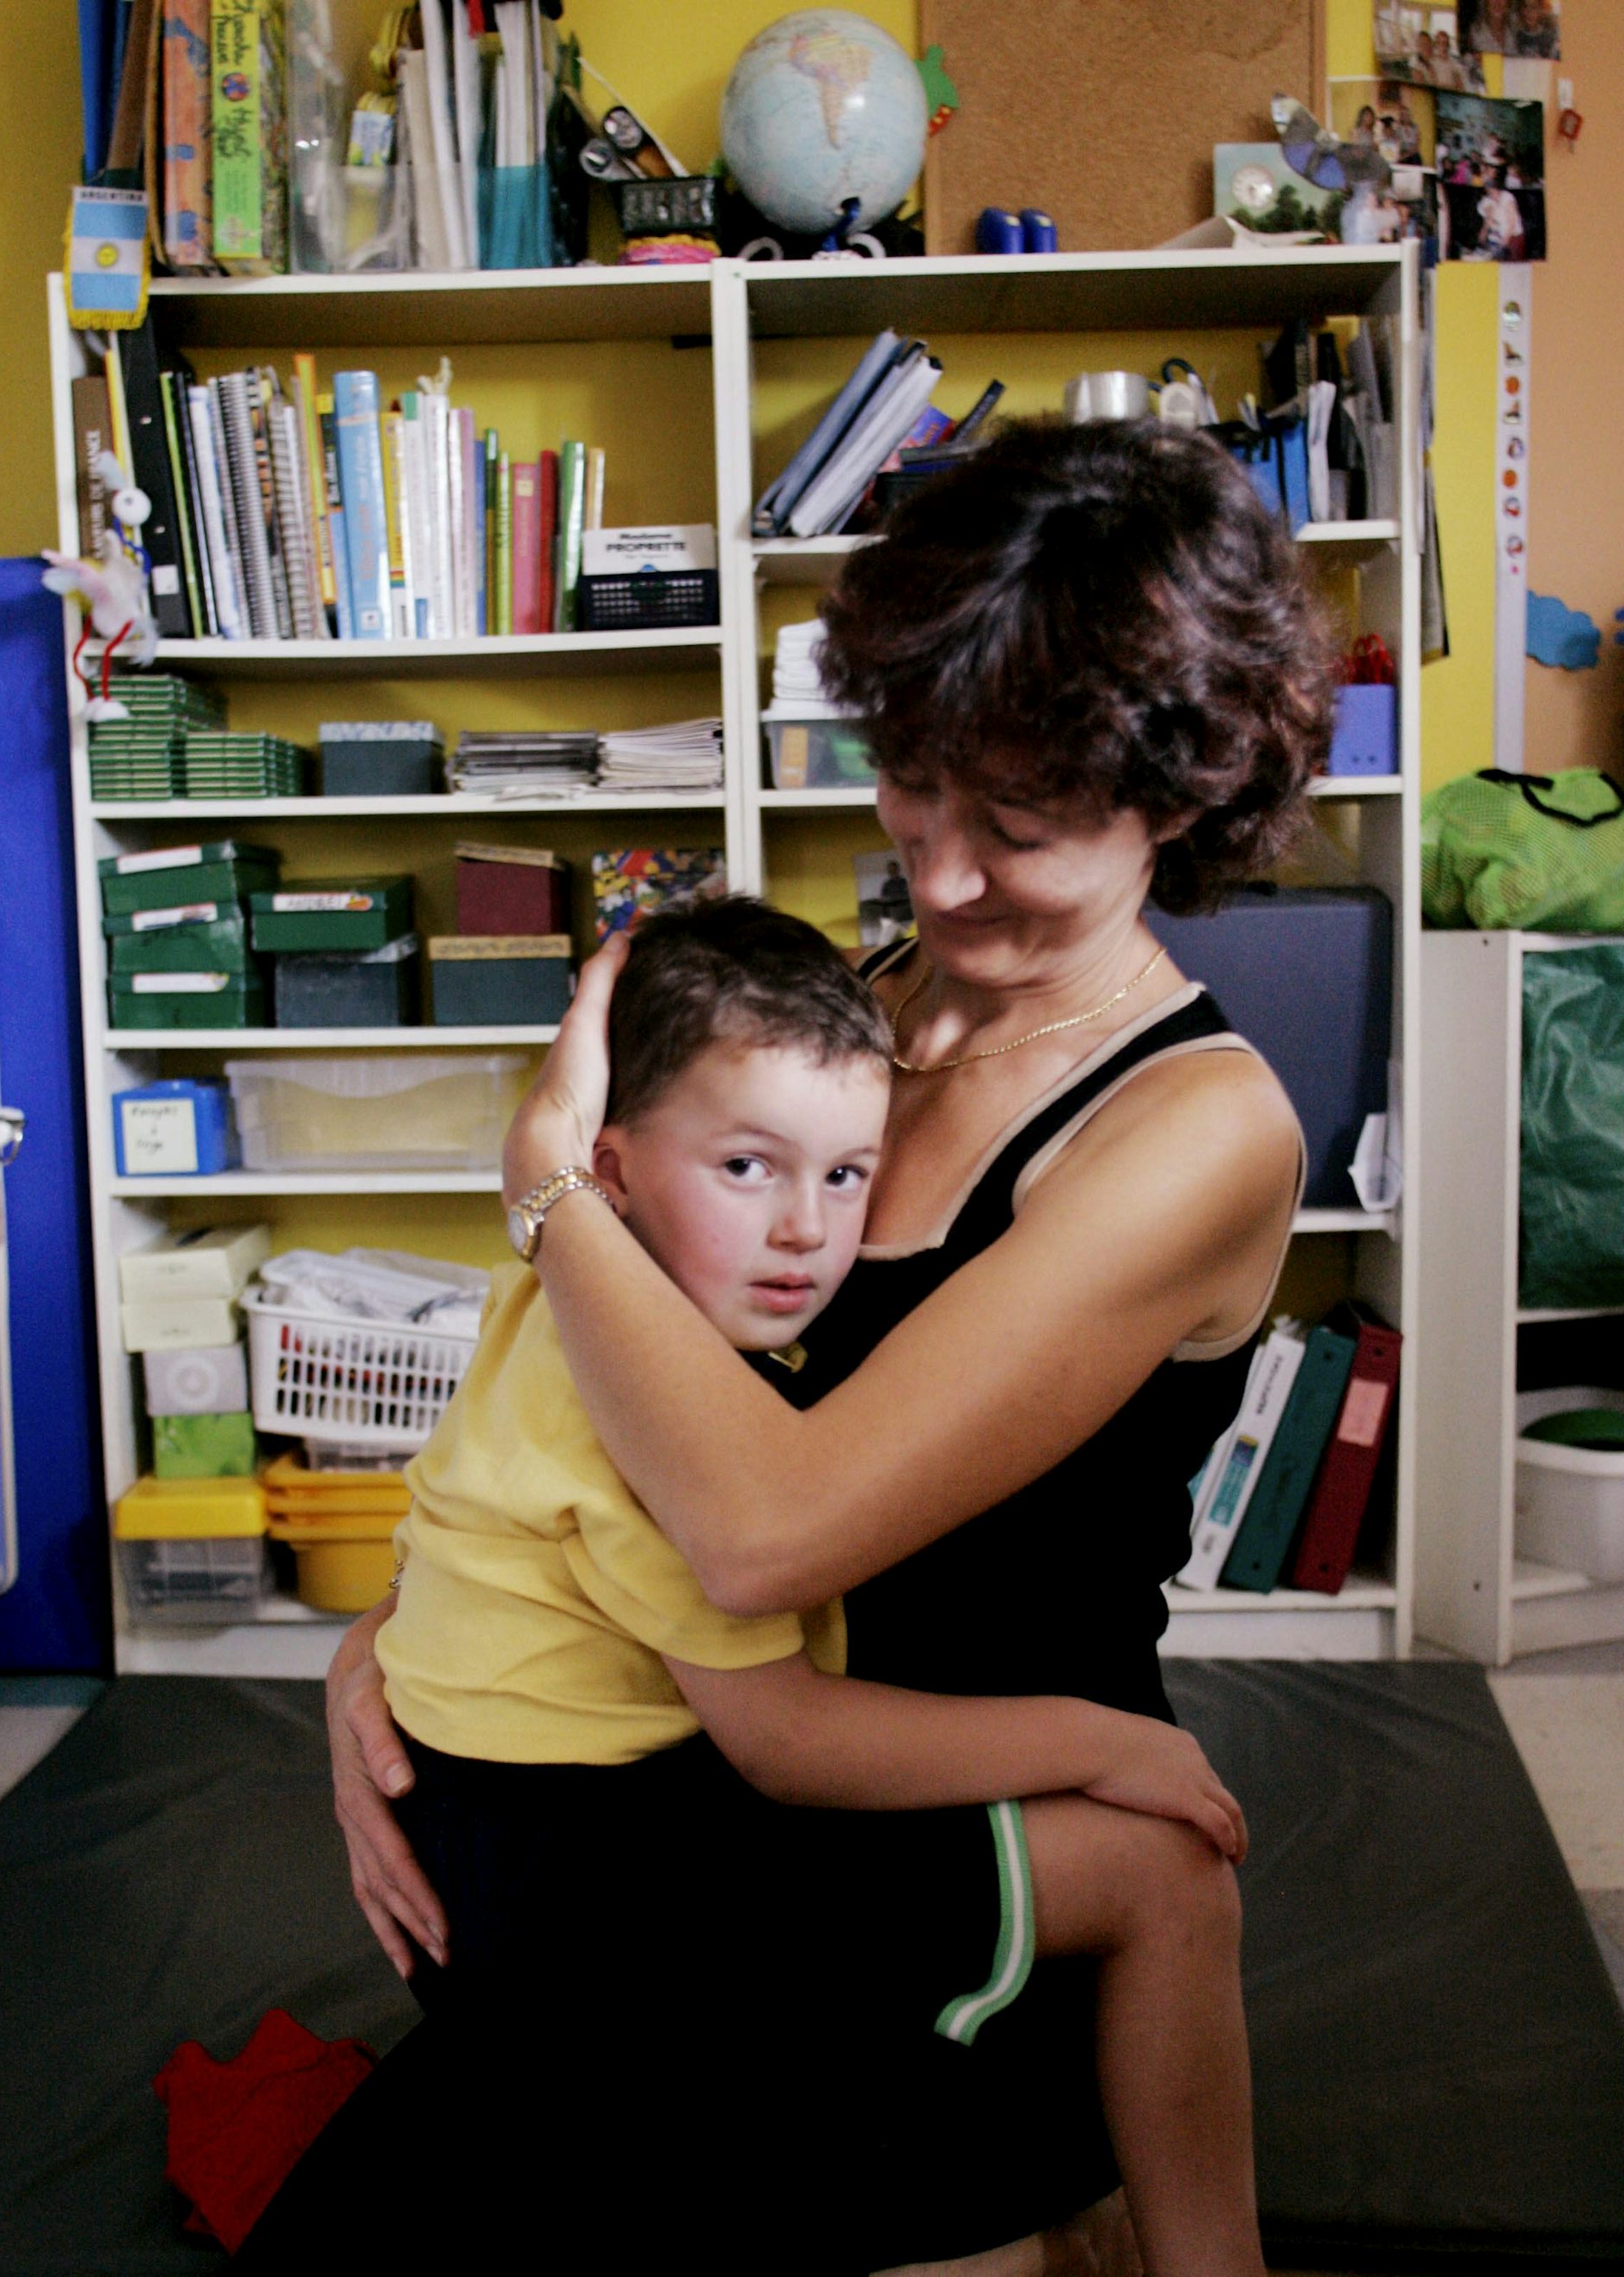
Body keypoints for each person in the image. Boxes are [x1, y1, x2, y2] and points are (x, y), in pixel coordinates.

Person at [326, 417, 1334, 2276]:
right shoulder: (846, 1026)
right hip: (702, 1778)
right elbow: (600, 1412)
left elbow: (764, 1528)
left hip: (977, 1820)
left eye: (1016, 827)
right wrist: (391, 1644)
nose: (938, 880)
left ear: (1176, 799)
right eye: (912, 788)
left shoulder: (1198, 1130)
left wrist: (551, 1188)